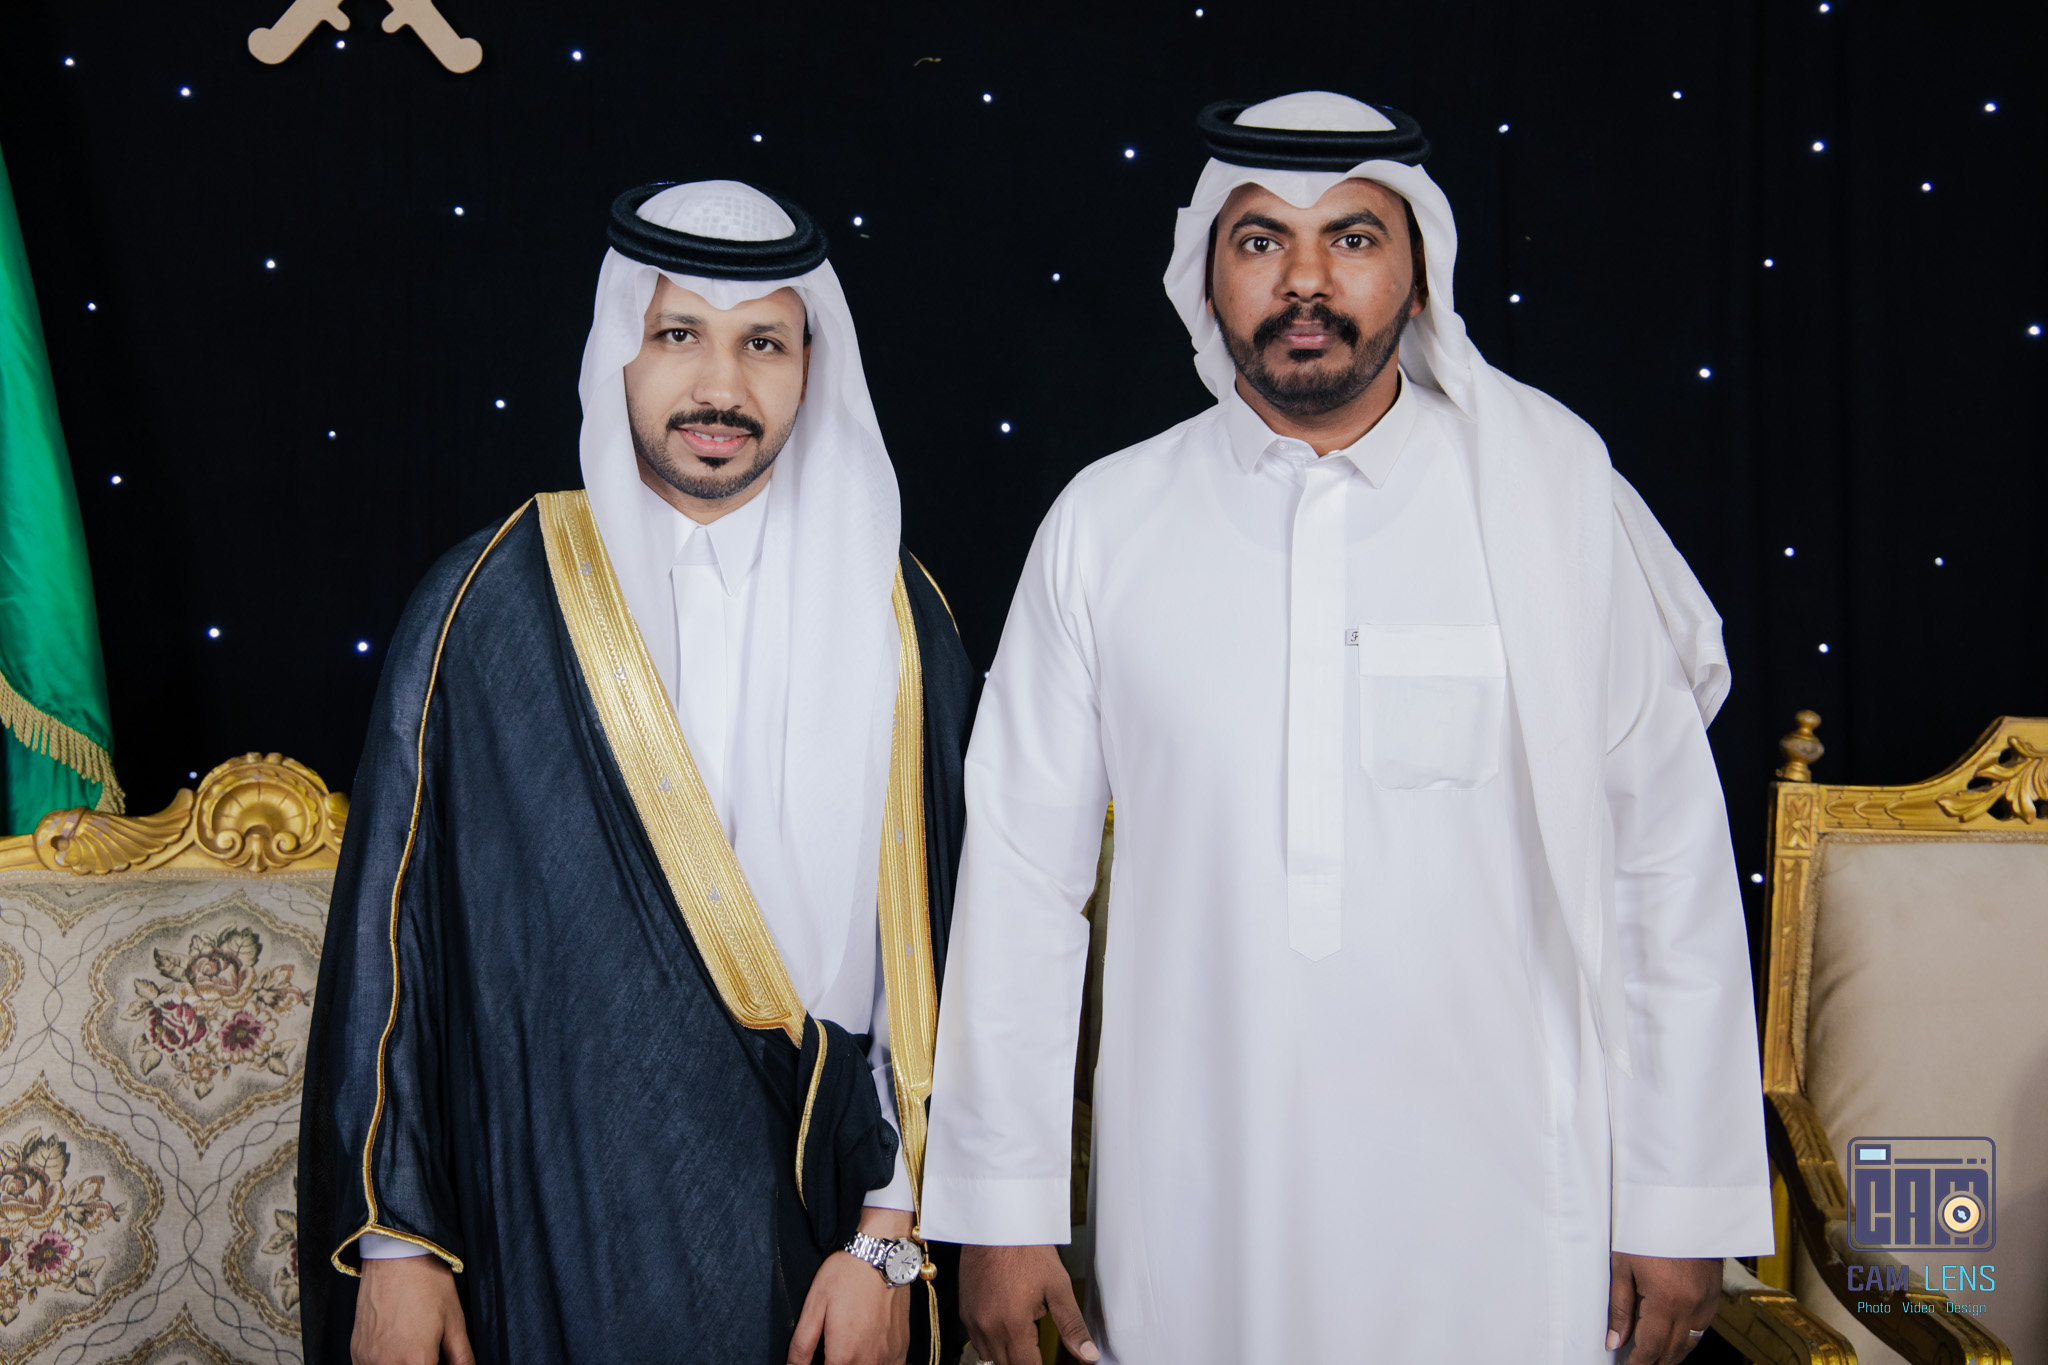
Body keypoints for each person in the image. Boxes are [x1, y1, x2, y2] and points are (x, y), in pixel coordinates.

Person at [920, 92, 1772, 1365]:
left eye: (1353, 239)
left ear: (1417, 277)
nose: (1305, 280)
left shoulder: (1547, 504)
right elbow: (1021, 885)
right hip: (1199, 1207)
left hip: (1510, 1211)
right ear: (1204, 277)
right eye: (1260, 240)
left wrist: (1680, 1197)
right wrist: (999, 1210)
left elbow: (1663, 865)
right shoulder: (1105, 523)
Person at [300, 180, 973, 1365]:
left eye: (762, 343)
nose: (719, 386)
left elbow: (952, 957)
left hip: (818, 1244)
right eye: (677, 336)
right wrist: (399, 1246)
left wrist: (888, 1241)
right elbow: (393, 947)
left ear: (810, 367)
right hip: (539, 1220)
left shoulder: (899, 619)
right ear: (619, 347)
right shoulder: (488, 600)